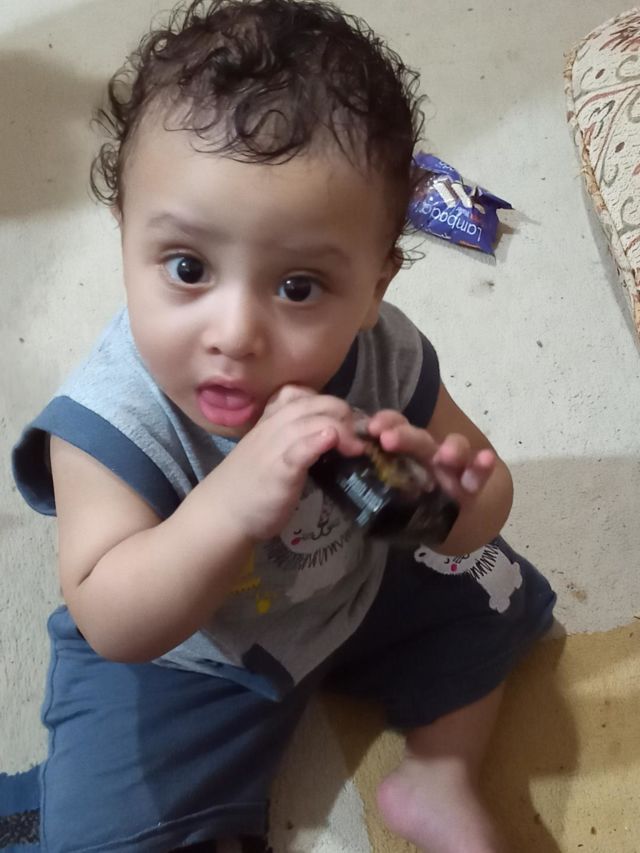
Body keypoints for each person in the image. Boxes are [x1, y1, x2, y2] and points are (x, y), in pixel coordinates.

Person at [12, 1, 556, 850]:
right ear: (124, 234)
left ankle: (440, 775)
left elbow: (478, 512)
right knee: (101, 835)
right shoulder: (109, 418)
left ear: (376, 285)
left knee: (498, 591)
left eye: (299, 287)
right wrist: (228, 504)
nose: (234, 334)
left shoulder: (382, 353)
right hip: (193, 658)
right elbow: (114, 619)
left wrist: (444, 499)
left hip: (355, 585)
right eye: (187, 267)